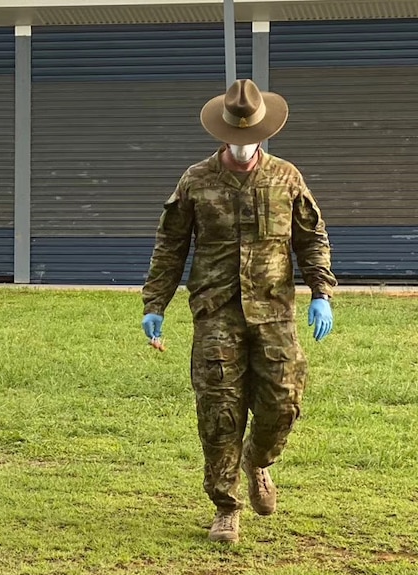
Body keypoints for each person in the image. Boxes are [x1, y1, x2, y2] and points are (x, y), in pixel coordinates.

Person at [140, 79, 337, 544]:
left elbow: (311, 238)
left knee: (283, 404)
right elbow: (170, 245)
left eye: (252, 135)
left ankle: (260, 461)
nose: (244, 143)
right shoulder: (196, 179)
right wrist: (155, 304)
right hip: (216, 311)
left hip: (274, 311)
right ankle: (226, 507)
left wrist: (321, 293)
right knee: (219, 413)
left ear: (264, 133)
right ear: (221, 133)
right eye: (236, 135)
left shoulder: (286, 177)